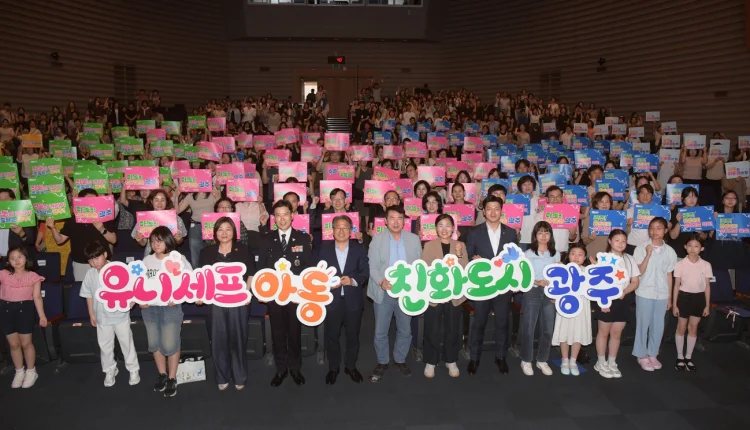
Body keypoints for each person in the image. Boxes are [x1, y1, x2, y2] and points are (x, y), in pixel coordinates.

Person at [258, 200, 313, 387]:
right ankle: (281, 369)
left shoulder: (303, 239)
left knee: (295, 332)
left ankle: (295, 368)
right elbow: (261, 268)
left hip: (295, 295)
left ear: (292, 216)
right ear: (274, 218)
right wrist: (262, 291)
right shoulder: (266, 239)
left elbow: (308, 268)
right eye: (278, 215)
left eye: (285, 214)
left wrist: (303, 293)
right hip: (274, 295)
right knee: (278, 332)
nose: (282, 219)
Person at [199, 216, 256, 391]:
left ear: (234, 232)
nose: (224, 233)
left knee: (238, 339)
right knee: (218, 339)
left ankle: (239, 376)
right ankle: (222, 376)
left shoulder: (244, 250)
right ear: (215, 233)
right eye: (220, 229)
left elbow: (251, 274)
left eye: (228, 229)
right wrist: (201, 294)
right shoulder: (207, 252)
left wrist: (246, 292)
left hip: (238, 302)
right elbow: (202, 278)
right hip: (215, 302)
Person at [367, 205, 422, 381]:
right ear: (385, 221)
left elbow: (419, 265)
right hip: (384, 291)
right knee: (380, 330)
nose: (396, 222)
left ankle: (400, 359)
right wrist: (381, 281)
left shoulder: (414, 239)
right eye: (392, 218)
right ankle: (382, 361)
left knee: (405, 329)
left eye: (399, 218)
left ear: (404, 221)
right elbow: (373, 267)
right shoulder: (377, 239)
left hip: (406, 292)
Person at [465, 196, 518, 375]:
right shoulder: (474, 232)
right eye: (489, 208)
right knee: (479, 323)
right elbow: (469, 254)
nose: (493, 212)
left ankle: (501, 356)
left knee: (502, 323)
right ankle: (474, 357)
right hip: (483, 286)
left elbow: (515, 259)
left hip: (503, 286)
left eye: (496, 208)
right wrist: (473, 259)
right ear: (484, 211)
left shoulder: (510, 233)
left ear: (501, 211)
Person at [79, 242, 140, 387]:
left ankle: (133, 369)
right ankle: (109, 369)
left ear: (105, 254)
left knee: (127, 343)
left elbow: (132, 287)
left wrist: (132, 302)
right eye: (90, 259)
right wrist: (91, 314)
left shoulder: (118, 268)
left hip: (120, 316)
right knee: (105, 346)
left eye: (97, 257)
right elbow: (88, 294)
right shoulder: (90, 274)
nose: (94, 262)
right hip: (101, 317)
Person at [141, 226, 191, 398]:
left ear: (168, 241)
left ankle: (172, 377)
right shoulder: (147, 260)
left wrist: (179, 297)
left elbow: (189, 280)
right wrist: (140, 300)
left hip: (171, 307)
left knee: (170, 343)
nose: (156, 244)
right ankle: (162, 374)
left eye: (160, 241)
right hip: (150, 308)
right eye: (153, 241)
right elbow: (138, 283)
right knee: (154, 343)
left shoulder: (178, 259)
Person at [319, 215, 369, 385]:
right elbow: (316, 274)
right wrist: (326, 284)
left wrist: (353, 281)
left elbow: (365, 272)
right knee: (332, 336)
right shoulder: (323, 249)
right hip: (331, 301)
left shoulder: (359, 249)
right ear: (332, 231)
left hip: (353, 301)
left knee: (353, 336)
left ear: (351, 231)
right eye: (338, 227)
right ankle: (333, 368)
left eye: (345, 227)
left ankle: (351, 366)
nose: (341, 231)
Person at [420, 213, 468, 378]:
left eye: (448, 225)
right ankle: (431, 361)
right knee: (432, 328)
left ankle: (451, 359)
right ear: (436, 229)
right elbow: (425, 270)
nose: (444, 229)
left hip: (454, 296)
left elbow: (464, 270)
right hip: (435, 295)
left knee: (452, 329)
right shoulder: (429, 246)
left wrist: (459, 254)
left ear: (453, 228)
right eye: (441, 225)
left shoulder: (460, 245)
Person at [594, 229, 641, 379]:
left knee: (616, 333)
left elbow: (635, 281)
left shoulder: (630, 259)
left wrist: (624, 291)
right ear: (609, 241)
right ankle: (601, 362)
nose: (620, 244)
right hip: (606, 301)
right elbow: (596, 283)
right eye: (617, 240)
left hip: (623, 299)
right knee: (603, 332)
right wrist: (603, 300)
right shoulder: (603, 259)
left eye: (623, 241)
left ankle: (612, 362)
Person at [632, 217, 677, 371]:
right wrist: (648, 255)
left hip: (662, 293)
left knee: (658, 325)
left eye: (659, 228)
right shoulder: (641, 248)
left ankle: (653, 353)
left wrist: (669, 298)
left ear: (665, 230)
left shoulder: (670, 251)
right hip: (644, 291)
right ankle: (641, 354)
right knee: (643, 324)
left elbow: (669, 275)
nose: (654, 231)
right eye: (651, 228)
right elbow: (638, 271)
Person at [0, 245, 46, 388]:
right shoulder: (3, 274)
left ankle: (31, 371)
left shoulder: (33, 276)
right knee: (14, 344)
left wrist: (42, 316)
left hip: (24, 310)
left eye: (20, 257)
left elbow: (37, 297)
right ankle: (19, 371)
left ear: (26, 258)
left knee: (26, 344)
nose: (16, 260)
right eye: (12, 258)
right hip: (6, 310)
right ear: (8, 261)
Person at [47, 188, 117, 281]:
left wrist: (102, 229)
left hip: (102, 261)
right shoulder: (73, 220)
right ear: (80, 202)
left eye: (94, 200)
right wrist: (53, 228)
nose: (91, 203)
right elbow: (60, 240)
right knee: (83, 288)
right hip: (80, 263)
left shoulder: (104, 216)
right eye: (88, 200)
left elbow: (113, 240)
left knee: (105, 286)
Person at [520, 221, 559, 376]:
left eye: (547, 232)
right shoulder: (528, 253)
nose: (543, 236)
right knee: (529, 328)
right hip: (532, 291)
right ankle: (526, 360)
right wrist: (537, 282)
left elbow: (559, 276)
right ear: (535, 235)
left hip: (550, 293)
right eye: (540, 232)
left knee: (548, 329)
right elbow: (523, 275)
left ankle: (542, 360)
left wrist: (557, 293)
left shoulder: (555, 254)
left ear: (551, 235)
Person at [672, 234, 712, 372]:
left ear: (702, 248)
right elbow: (676, 285)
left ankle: (688, 357)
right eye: (689, 245)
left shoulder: (706, 265)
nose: (692, 249)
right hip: (683, 297)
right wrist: (674, 304)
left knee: (693, 328)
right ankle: (680, 356)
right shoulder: (680, 264)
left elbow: (707, 287)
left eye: (696, 246)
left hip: (699, 298)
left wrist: (707, 305)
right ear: (685, 247)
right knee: (681, 327)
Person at [551, 243, 592, 376]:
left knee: (578, 333)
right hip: (565, 306)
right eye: (573, 253)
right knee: (564, 331)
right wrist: (555, 297)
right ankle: (564, 360)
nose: (576, 257)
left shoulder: (588, 271)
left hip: (582, 306)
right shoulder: (563, 270)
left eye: (580, 254)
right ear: (568, 255)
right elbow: (554, 286)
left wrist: (597, 267)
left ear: (585, 257)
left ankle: (573, 361)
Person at [0, 188, 36, 263]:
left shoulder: (23, 216)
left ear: (13, 200)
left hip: (16, 262)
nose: (3, 201)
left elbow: (31, 241)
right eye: (0, 199)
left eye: (6, 198)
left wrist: (21, 233)